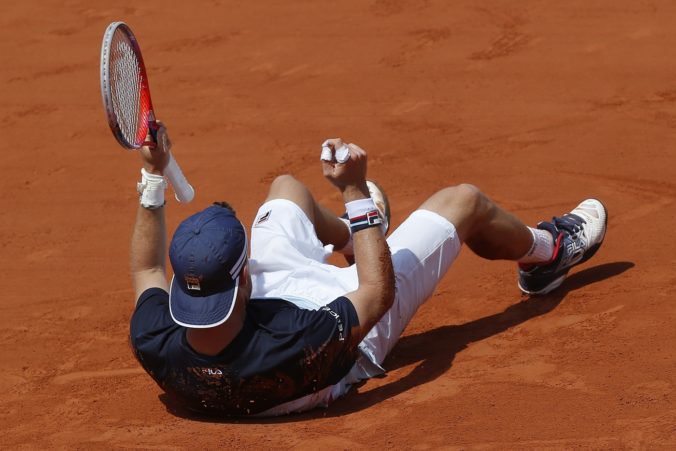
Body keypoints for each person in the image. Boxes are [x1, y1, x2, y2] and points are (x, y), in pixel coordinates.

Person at [128, 124, 608, 417]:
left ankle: (358, 241)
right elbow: (376, 294)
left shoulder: (156, 337)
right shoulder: (300, 337)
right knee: (464, 202)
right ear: (246, 277)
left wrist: (154, 172)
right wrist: (355, 192)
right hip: (350, 327)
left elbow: (146, 267)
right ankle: (550, 255)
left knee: (286, 190)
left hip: (265, 317)